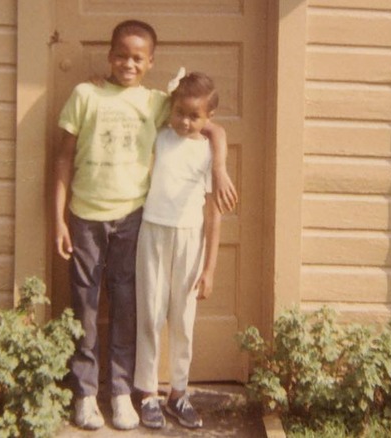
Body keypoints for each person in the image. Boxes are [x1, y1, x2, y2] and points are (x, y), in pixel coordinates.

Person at [54, 20, 235, 431]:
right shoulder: (86, 94)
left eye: (138, 58)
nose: (128, 63)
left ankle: (122, 392)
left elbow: (211, 124)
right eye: (120, 55)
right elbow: (63, 157)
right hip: (88, 216)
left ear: (151, 62)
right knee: (86, 305)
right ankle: (85, 393)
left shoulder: (159, 104)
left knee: (127, 307)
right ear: (109, 55)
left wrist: (221, 167)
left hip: (133, 218)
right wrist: (58, 219)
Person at [133, 71, 223, 430]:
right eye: (180, 113)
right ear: (171, 108)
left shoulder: (207, 151)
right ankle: (147, 393)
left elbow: (215, 214)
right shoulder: (158, 139)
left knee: (183, 319)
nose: (185, 122)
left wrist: (210, 268)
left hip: (190, 238)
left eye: (194, 116)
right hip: (153, 231)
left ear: (207, 119)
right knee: (150, 315)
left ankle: (178, 392)